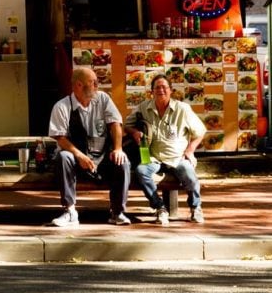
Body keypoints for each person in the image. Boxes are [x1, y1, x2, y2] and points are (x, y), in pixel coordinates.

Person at [48, 66, 131, 227]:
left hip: (101, 157)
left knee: (123, 161)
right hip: (77, 160)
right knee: (63, 157)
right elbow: (60, 138)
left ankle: (117, 212)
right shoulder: (62, 107)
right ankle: (70, 211)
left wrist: (118, 149)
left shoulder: (103, 99)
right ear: (79, 85)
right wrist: (79, 155)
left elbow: (115, 124)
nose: (97, 85)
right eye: (93, 82)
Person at [124, 74, 206, 225]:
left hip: (177, 158)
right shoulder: (144, 107)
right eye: (157, 88)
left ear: (171, 90)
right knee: (141, 172)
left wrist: (190, 150)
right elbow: (127, 125)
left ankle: (195, 207)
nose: (161, 90)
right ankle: (160, 207)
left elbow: (200, 132)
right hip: (154, 157)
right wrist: (134, 132)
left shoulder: (183, 109)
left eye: (164, 87)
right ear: (152, 91)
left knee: (190, 175)